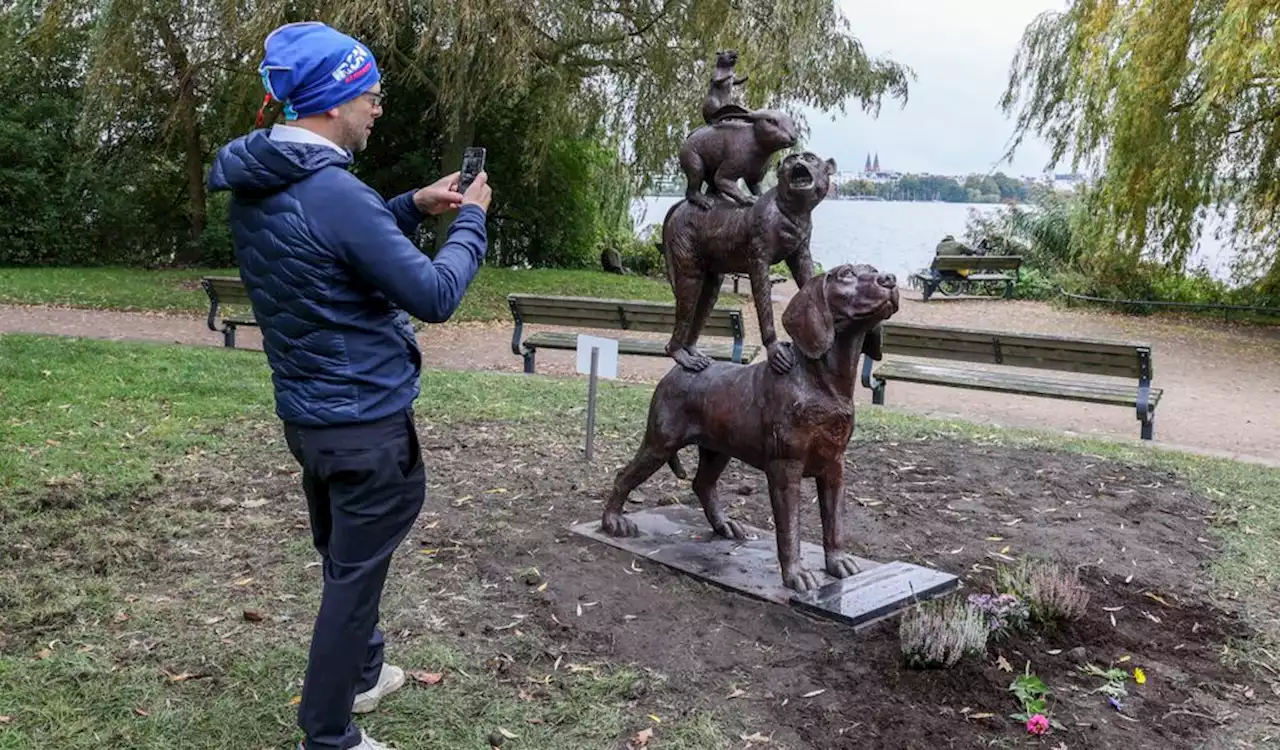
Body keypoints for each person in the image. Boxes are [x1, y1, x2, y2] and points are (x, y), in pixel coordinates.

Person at [206, 21, 492, 750]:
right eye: (369, 95)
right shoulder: (332, 191)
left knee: (346, 558)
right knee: (352, 581)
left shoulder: (267, 179)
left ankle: (363, 672)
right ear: (333, 103)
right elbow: (432, 294)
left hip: (311, 418)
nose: (378, 108)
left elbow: (320, 247)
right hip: (365, 423)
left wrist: (407, 207)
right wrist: (473, 223)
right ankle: (328, 736)